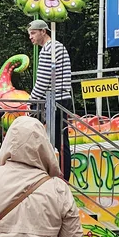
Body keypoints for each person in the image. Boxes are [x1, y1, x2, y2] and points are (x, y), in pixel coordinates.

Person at [26, 20, 72, 179]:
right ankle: (61, 177)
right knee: (60, 142)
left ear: (43, 32)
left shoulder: (49, 50)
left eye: (33, 33)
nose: (30, 37)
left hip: (55, 100)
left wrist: (31, 101)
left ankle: (60, 178)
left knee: (56, 142)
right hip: (61, 98)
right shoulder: (57, 47)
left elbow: (43, 80)